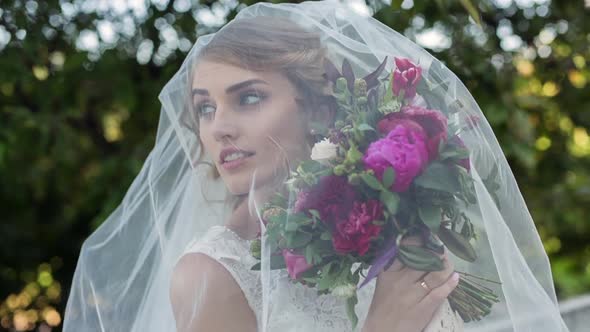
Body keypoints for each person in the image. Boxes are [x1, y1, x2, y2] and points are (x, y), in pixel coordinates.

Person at [62, 2, 569, 332]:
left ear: (317, 109)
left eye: (249, 97)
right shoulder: (212, 275)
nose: (218, 128)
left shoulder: (386, 223)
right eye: (206, 108)